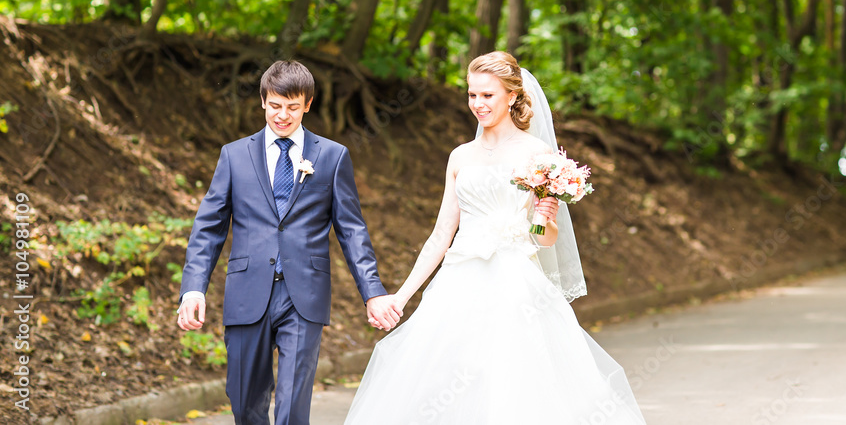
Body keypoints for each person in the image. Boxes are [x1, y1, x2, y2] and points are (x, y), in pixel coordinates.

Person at [344, 51, 647, 424]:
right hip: (460, 281)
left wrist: (545, 218)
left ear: (513, 96)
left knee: (515, 383)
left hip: (517, 287)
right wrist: (401, 296)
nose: (478, 104)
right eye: (472, 95)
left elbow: (543, 239)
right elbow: (441, 234)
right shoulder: (460, 156)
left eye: (487, 95)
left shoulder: (538, 155)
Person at [176, 60, 401, 425]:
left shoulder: (331, 156)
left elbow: (351, 230)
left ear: (307, 104)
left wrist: (372, 292)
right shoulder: (234, 155)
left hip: (304, 296)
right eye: (275, 105)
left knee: (293, 406)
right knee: (245, 402)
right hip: (247, 292)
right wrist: (193, 289)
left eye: (293, 107)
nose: (283, 115)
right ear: (263, 100)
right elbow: (209, 227)